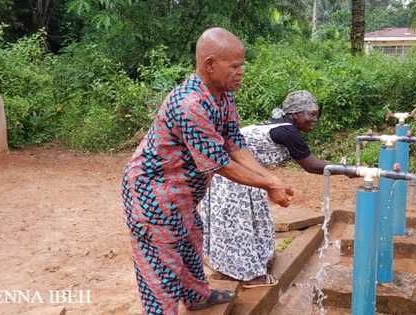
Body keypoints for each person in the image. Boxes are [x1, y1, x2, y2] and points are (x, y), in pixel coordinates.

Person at [121, 27, 293, 314]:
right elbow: (220, 163)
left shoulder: (223, 96)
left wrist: (271, 179)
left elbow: (235, 144)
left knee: (191, 239)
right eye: (235, 66)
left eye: (242, 66)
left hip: (182, 194)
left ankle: (197, 296)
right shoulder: (190, 104)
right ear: (210, 64)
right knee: (161, 267)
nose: (241, 72)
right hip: (152, 195)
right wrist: (268, 185)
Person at [200, 90, 326, 288]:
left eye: (316, 114)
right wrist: (349, 170)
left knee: (256, 221)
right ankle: (250, 276)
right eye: (311, 114)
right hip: (235, 178)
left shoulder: (281, 127)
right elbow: (310, 165)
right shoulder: (287, 131)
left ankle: (246, 264)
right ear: (295, 114)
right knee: (240, 226)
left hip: (249, 178)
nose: (315, 119)